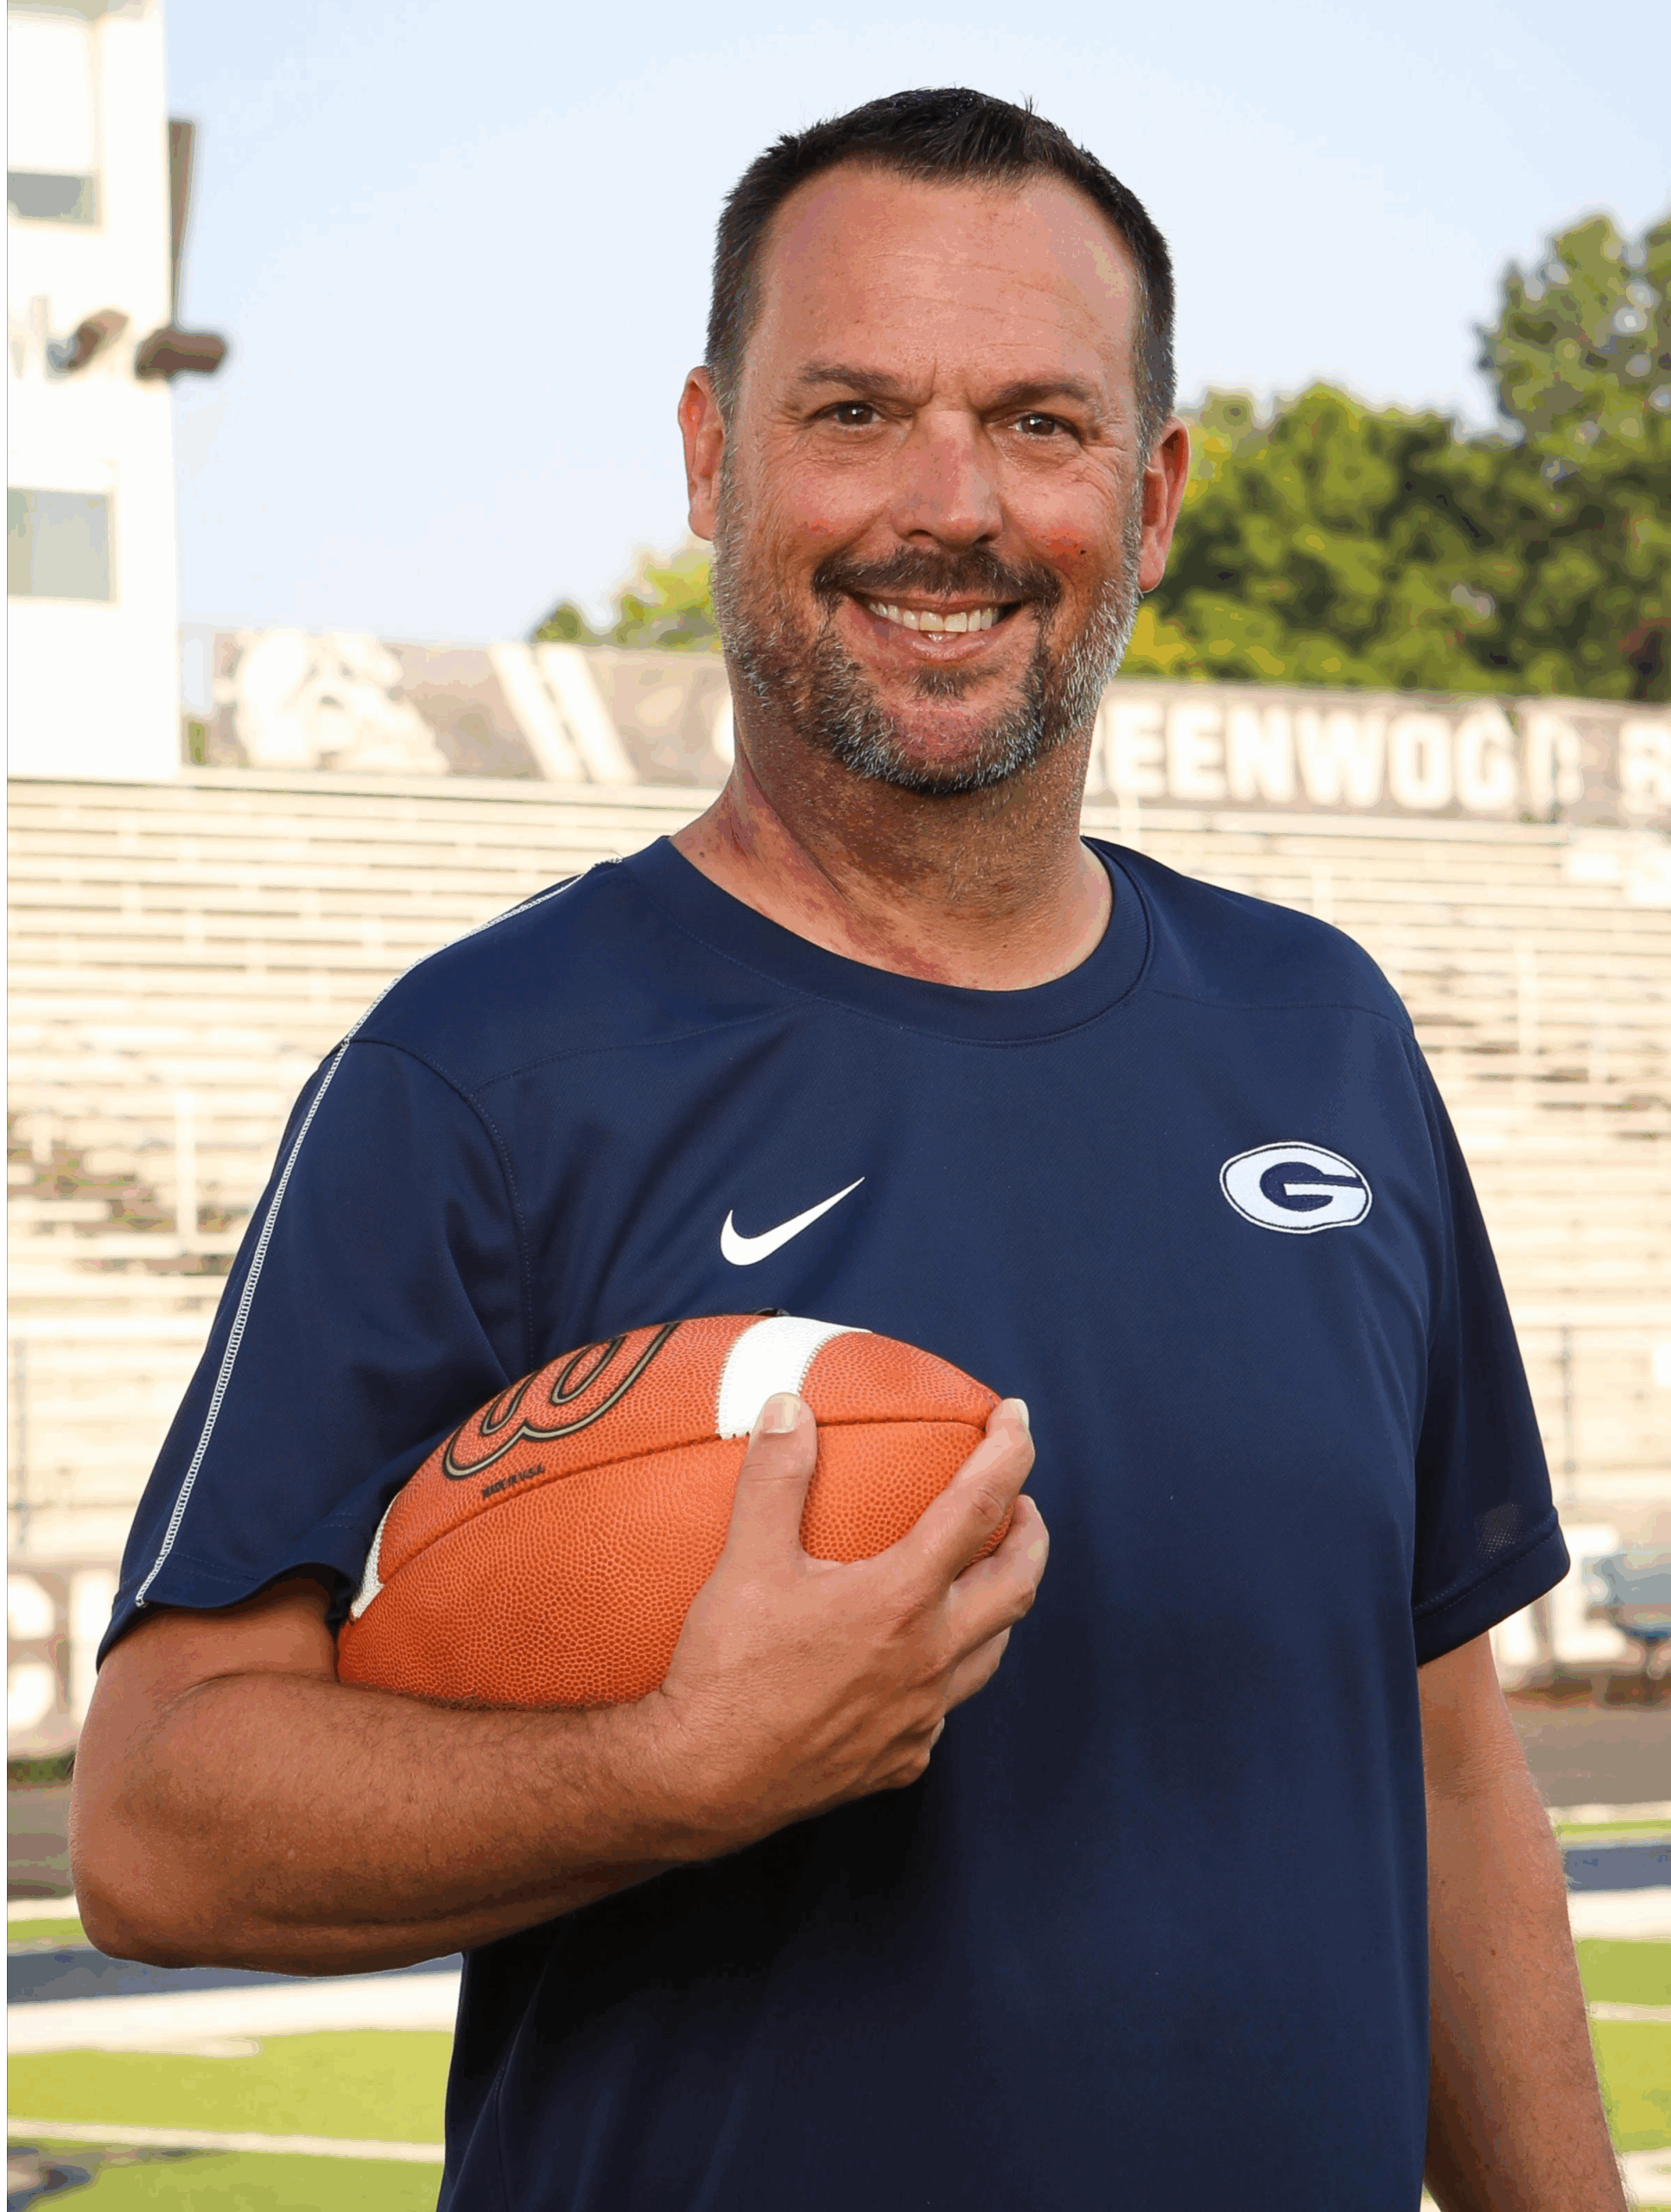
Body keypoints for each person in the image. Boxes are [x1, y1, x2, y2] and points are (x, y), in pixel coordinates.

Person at [73, 87, 1620, 2212]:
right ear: (713, 456)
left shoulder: (1322, 1035)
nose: (947, 504)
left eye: (1041, 423)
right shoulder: (482, 1071)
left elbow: (1444, 1765)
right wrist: (672, 1765)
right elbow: (151, 1821)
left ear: (1153, 494)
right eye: (856, 411)